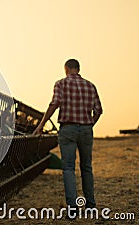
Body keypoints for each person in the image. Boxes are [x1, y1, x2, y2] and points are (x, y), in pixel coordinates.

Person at [33, 59, 103, 218]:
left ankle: (73, 209)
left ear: (66, 69)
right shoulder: (90, 86)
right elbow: (98, 110)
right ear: (78, 69)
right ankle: (91, 206)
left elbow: (55, 103)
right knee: (86, 167)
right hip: (86, 129)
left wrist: (40, 126)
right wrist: (89, 125)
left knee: (69, 168)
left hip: (68, 129)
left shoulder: (60, 83)